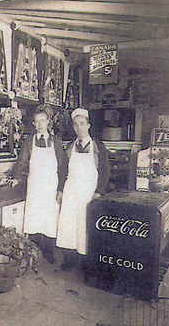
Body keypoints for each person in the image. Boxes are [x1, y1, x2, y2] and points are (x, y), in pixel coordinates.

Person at [10, 104, 67, 264]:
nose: (40, 124)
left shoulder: (56, 142)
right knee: (34, 219)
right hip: (35, 187)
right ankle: (33, 253)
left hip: (50, 187)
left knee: (50, 219)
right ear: (34, 124)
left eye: (43, 120)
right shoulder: (30, 141)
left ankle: (49, 252)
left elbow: (62, 167)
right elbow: (21, 161)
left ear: (48, 122)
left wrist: (60, 189)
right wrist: (15, 176)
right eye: (37, 121)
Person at [56, 108, 110, 271]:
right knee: (68, 225)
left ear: (88, 125)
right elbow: (63, 170)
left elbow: (105, 170)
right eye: (75, 125)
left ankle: (87, 261)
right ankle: (69, 259)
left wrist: (99, 191)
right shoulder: (70, 147)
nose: (79, 127)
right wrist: (60, 190)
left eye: (82, 124)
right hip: (71, 190)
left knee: (86, 226)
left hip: (89, 192)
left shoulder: (97, 146)